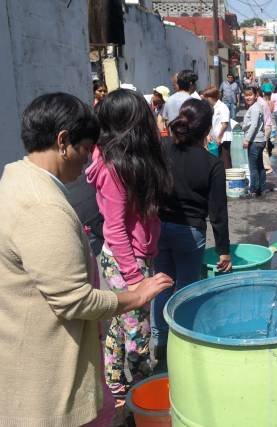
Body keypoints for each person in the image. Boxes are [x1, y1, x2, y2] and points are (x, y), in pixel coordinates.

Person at [0, 93, 172, 426]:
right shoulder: (43, 207)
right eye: (86, 148)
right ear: (63, 141)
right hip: (50, 380)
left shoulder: (17, 179)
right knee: (131, 336)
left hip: (37, 355)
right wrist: (136, 292)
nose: (88, 160)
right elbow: (74, 300)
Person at [87, 89, 173, 409]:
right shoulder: (113, 168)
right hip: (126, 261)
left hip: (135, 257)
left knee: (123, 324)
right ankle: (141, 392)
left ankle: (114, 382)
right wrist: (135, 278)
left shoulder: (133, 160)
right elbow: (114, 229)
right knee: (137, 333)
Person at [152, 99, 232, 358]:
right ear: (207, 127)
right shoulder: (212, 163)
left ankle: (160, 343)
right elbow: (217, 212)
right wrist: (224, 251)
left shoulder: (163, 149)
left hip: (159, 228)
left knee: (162, 285)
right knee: (186, 290)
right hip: (190, 233)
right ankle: (183, 346)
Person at [242, 86, 267, 196]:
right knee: (259, 165)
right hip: (259, 140)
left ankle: (253, 189)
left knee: (253, 167)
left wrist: (247, 140)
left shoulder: (255, 108)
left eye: (250, 95)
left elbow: (254, 125)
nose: (248, 97)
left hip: (255, 140)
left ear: (256, 95)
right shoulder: (255, 107)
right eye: (246, 95)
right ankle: (261, 187)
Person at [202, 86, 233, 169]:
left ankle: (227, 178)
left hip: (223, 138)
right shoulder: (214, 107)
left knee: (225, 160)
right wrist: (209, 135)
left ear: (212, 97)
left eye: (207, 97)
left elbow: (224, 124)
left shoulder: (222, 107)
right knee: (218, 160)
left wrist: (219, 137)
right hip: (216, 138)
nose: (206, 100)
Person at [257, 88, 274, 174]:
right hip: (267, 126)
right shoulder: (262, 102)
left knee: (263, 147)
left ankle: (267, 167)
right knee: (264, 147)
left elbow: (261, 117)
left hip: (265, 127)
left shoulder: (260, 103)